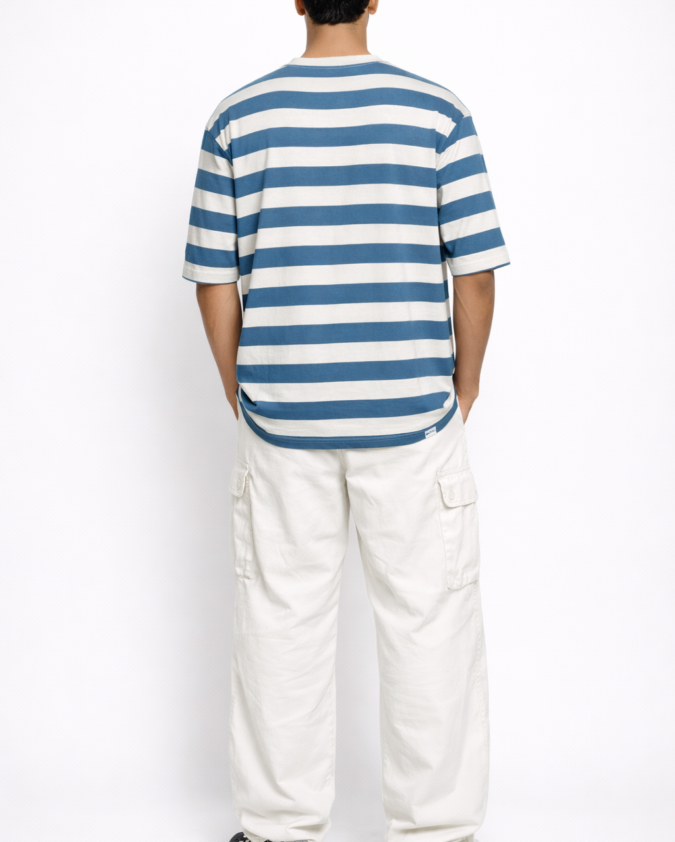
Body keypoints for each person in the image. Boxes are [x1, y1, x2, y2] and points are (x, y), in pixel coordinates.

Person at [182, 1, 509, 841]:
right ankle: (438, 831)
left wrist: (239, 388)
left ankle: (275, 827)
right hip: (413, 416)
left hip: (281, 416)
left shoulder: (238, 117)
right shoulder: (436, 112)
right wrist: (464, 385)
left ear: (297, 0)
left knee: (279, 620)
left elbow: (214, 277)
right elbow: (474, 271)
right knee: (429, 621)